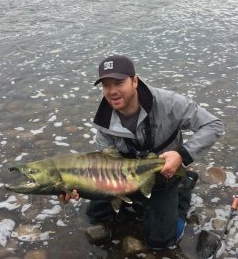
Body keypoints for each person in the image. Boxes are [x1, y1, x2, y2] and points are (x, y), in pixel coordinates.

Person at [86, 55, 224, 250]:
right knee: (94, 215)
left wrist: (182, 156)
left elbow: (213, 125)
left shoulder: (169, 103)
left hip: (164, 177)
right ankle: (135, 199)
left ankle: (183, 190)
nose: (113, 91)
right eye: (107, 85)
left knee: (160, 243)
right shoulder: (103, 122)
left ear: (135, 81)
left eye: (119, 83)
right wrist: (75, 187)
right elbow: (105, 163)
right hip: (125, 179)